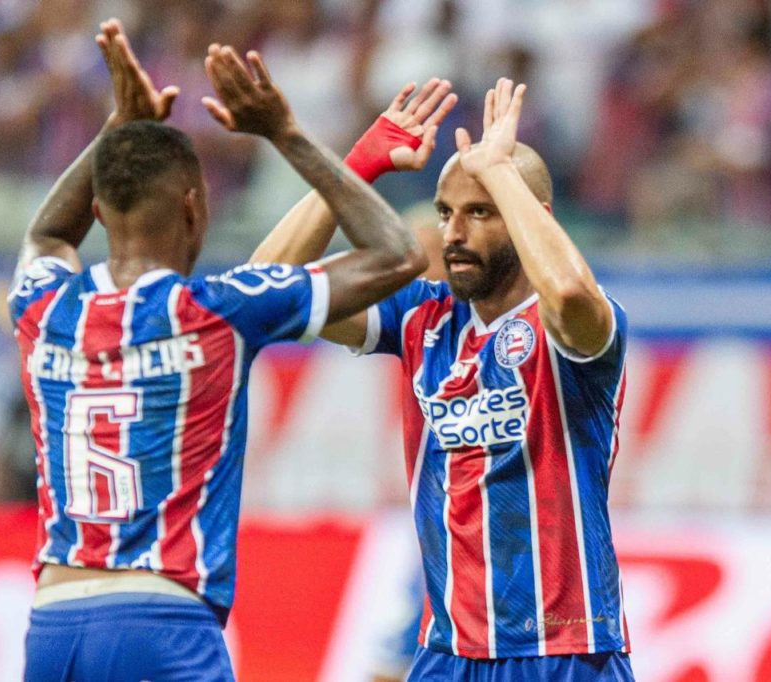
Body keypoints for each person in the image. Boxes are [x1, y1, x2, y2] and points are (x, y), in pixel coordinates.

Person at [8, 19, 429, 681]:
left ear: (98, 207)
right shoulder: (217, 312)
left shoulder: (43, 306)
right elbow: (399, 254)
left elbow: (45, 234)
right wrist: (288, 135)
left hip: (53, 622)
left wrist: (116, 128)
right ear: (195, 208)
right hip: (162, 620)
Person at [253, 79, 634, 680]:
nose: (452, 234)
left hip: (566, 652)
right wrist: (354, 169)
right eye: (445, 213)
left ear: (528, 216)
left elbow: (564, 288)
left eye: (478, 213)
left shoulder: (576, 328)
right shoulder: (419, 318)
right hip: (447, 652)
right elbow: (263, 290)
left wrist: (499, 171)